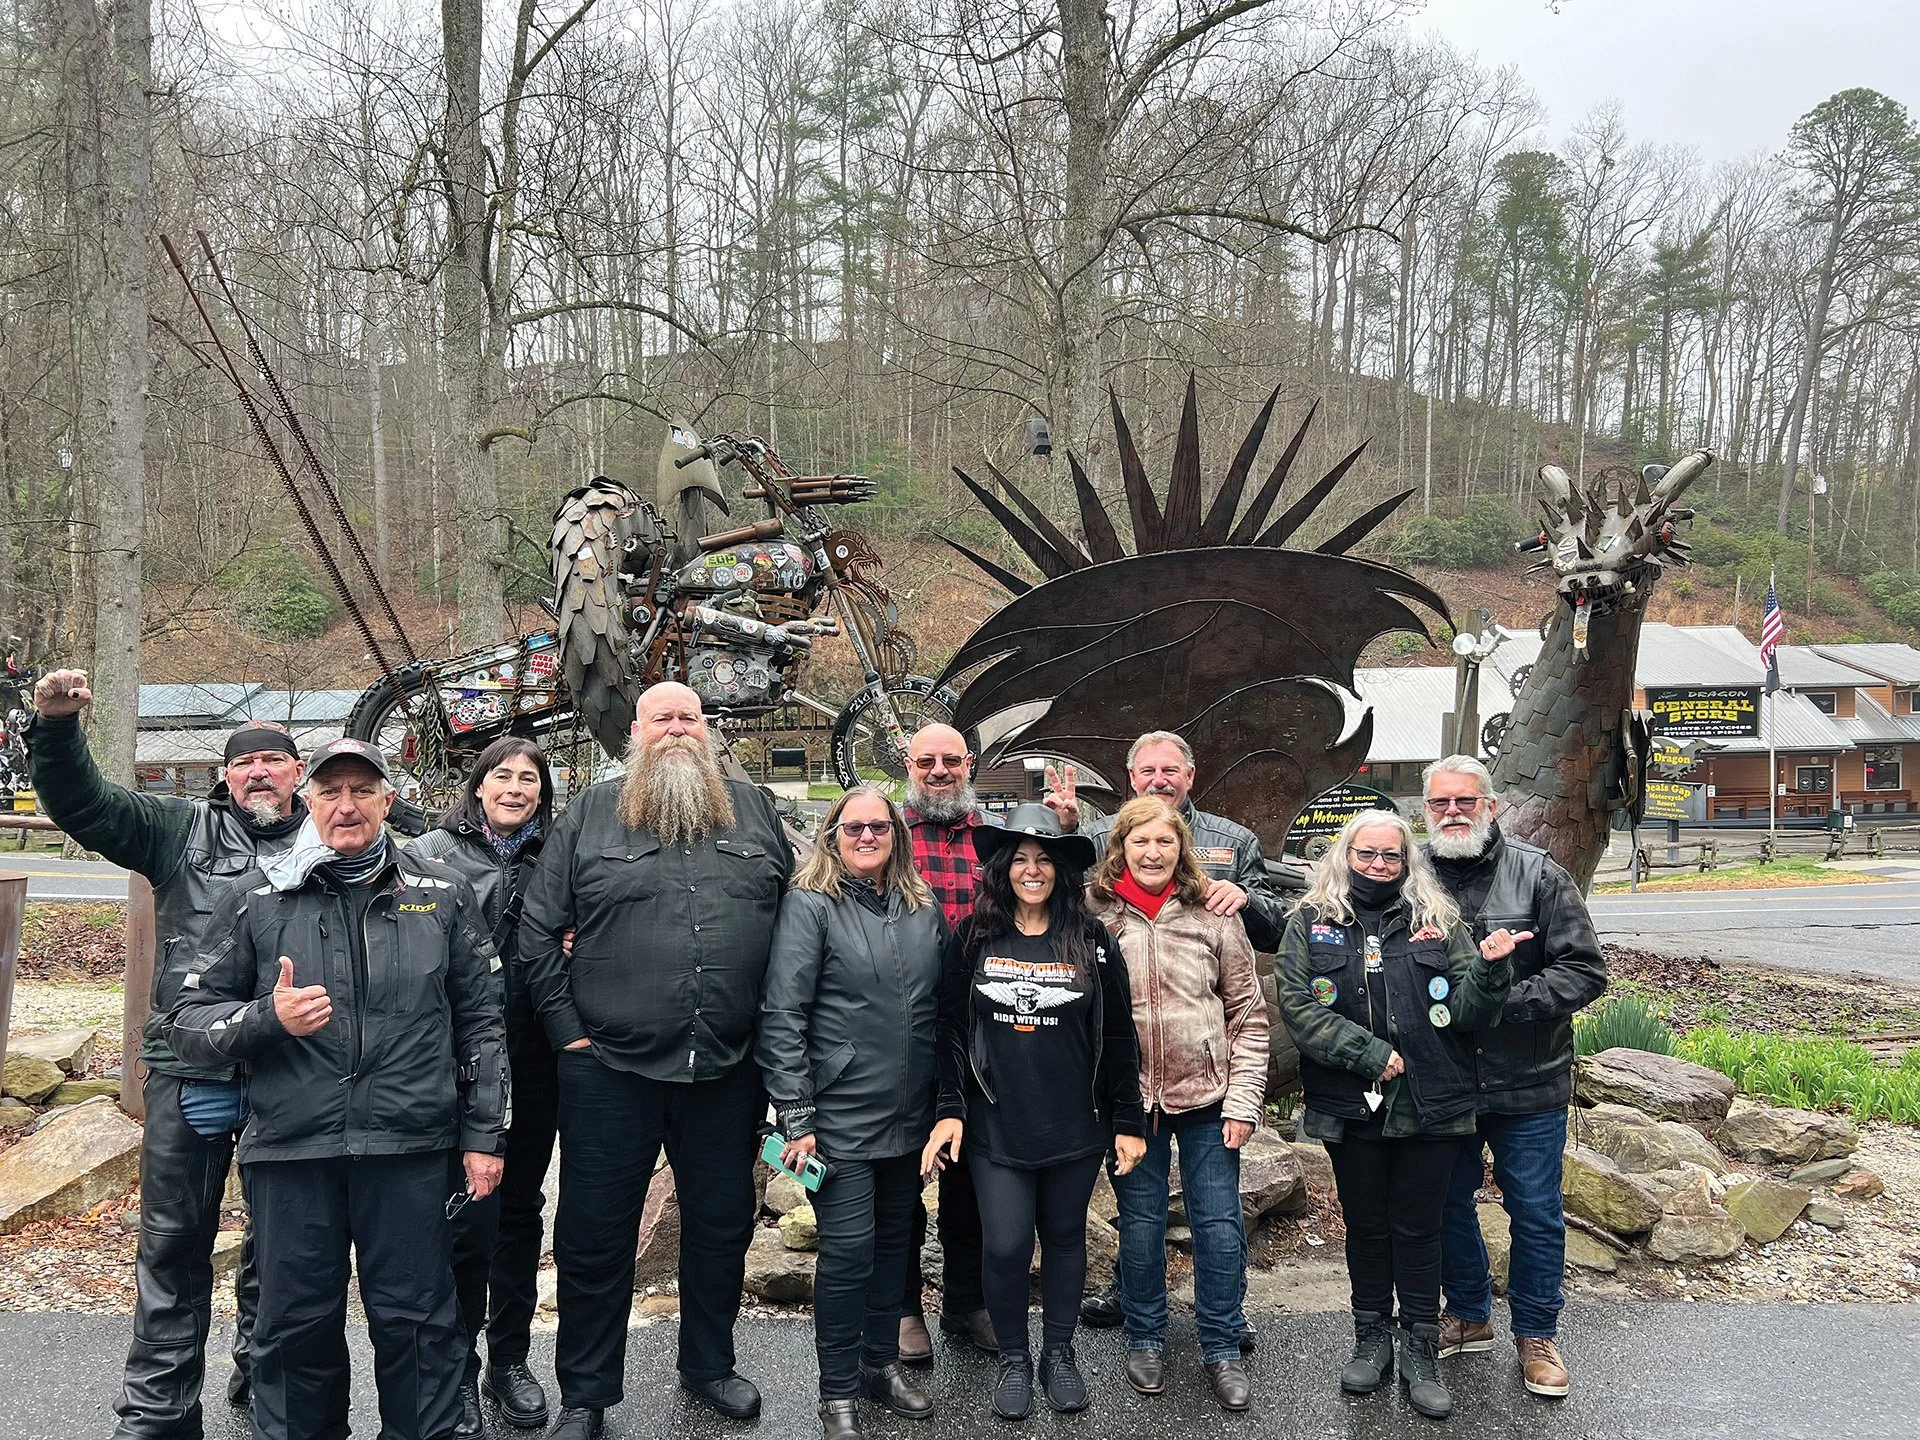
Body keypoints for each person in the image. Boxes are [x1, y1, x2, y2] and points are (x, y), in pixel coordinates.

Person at [166, 737, 509, 1440]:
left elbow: (482, 1022)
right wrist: (267, 1017)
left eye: (362, 791)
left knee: (420, 1324)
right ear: (307, 801)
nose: (346, 806)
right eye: (330, 792)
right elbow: (186, 1024)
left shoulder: (442, 892)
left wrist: (484, 1134)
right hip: (294, 1149)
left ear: (389, 800)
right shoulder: (257, 897)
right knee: (293, 1327)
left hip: (410, 1147)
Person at [27, 669, 308, 1437]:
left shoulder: (333, 835)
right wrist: (54, 727)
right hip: (194, 1070)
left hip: (299, 1070)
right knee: (175, 1242)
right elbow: (85, 803)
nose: (258, 771)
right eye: (244, 762)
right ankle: (158, 1408)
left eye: (273, 760)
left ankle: (264, 1371)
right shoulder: (178, 829)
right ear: (226, 776)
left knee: (284, 1243)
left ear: (297, 772)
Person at [517, 682, 792, 1439]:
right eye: (661, 718)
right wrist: (570, 1033)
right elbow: (539, 932)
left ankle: (708, 1365)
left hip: (730, 1070)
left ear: (707, 731)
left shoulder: (754, 809)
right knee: (593, 1236)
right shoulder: (590, 814)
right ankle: (587, 1392)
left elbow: (797, 922)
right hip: (609, 1070)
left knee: (721, 1225)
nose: (676, 729)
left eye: (689, 718)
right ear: (634, 732)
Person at [1278, 807, 1524, 1422]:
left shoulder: (1438, 921)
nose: (1379, 865)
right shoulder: (1310, 923)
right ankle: (1371, 1339)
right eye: (1367, 854)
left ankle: (1420, 1348)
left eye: (1391, 855)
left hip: (1433, 1103)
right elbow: (1300, 1009)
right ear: (1345, 855)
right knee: (1366, 1227)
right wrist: (1369, 1055)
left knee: (1421, 1229)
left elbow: (1470, 1010)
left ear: (1407, 861)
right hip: (1350, 1106)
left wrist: (1493, 971)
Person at [1047, 729, 1283, 1337]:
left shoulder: (1233, 847)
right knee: (1141, 1216)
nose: (1159, 779)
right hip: (1129, 1090)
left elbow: (1263, 946)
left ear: (1190, 777)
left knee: (1217, 1217)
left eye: (1170, 770)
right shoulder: (1096, 877)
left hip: (1204, 1084)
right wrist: (1069, 832)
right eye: (1147, 770)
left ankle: (1223, 1325)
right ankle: (1140, 1314)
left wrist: (1246, 898)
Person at [923, 804, 1145, 1423]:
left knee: (1067, 1241)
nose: (1032, 869)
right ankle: (1015, 1357)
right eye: (1019, 858)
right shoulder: (973, 937)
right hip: (997, 1124)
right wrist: (949, 1109)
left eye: (1044, 858)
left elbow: (1120, 1034)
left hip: (1074, 1122)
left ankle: (1060, 1353)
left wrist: (1127, 1120)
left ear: (1061, 870)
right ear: (1001, 869)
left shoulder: (1092, 939)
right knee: (1007, 1245)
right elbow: (948, 1029)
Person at [758, 786, 945, 1439]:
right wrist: (797, 1117)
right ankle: (835, 1389)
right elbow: (782, 1016)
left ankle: (879, 1366)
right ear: (833, 834)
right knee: (848, 1250)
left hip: (909, 1115)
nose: (867, 836)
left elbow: (941, 1012)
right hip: (835, 1116)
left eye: (879, 827)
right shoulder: (811, 906)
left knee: (897, 1245)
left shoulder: (924, 909)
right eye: (853, 826)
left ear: (896, 835)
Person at [1422, 755, 1605, 1400]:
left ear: (1490, 806)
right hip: (1442, 1079)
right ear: (1426, 810)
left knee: (1534, 1211)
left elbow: (1584, 969)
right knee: (1447, 1203)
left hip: (1529, 1079)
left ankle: (1537, 1332)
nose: (1453, 813)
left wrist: (1504, 1002)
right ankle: (1469, 1313)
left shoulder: (1538, 875)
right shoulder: (1410, 876)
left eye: (1465, 802)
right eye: (1441, 803)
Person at [1088, 797, 1268, 1412]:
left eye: (1164, 842)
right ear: (1121, 848)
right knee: (1140, 1227)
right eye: (1140, 842)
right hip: (1131, 1107)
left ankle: (1219, 1343)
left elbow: (1248, 1014)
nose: (1152, 853)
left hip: (1207, 1101)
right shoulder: (1097, 917)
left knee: (1218, 1226)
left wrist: (1243, 1101)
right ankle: (1145, 1336)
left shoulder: (1212, 917)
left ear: (1180, 848)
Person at [408, 738, 559, 1434]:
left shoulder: (557, 854)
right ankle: (458, 1368)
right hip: (457, 1061)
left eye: (529, 778)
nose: (515, 787)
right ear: (477, 785)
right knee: (465, 1221)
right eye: (503, 775)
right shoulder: (431, 851)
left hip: (534, 1058)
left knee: (522, 1214)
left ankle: (510, 1360)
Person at [897, 722, 996, 1359]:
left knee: (971, 1177)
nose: (939, 770)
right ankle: (905, 1307)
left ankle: (966, 1299)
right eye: (926, 760)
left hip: (984, 1029)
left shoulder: (994, 838)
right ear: (907, 765)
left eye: (951, 760)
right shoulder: (884, 833)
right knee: (901, 1173)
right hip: (902, 1027)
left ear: (969, 765)